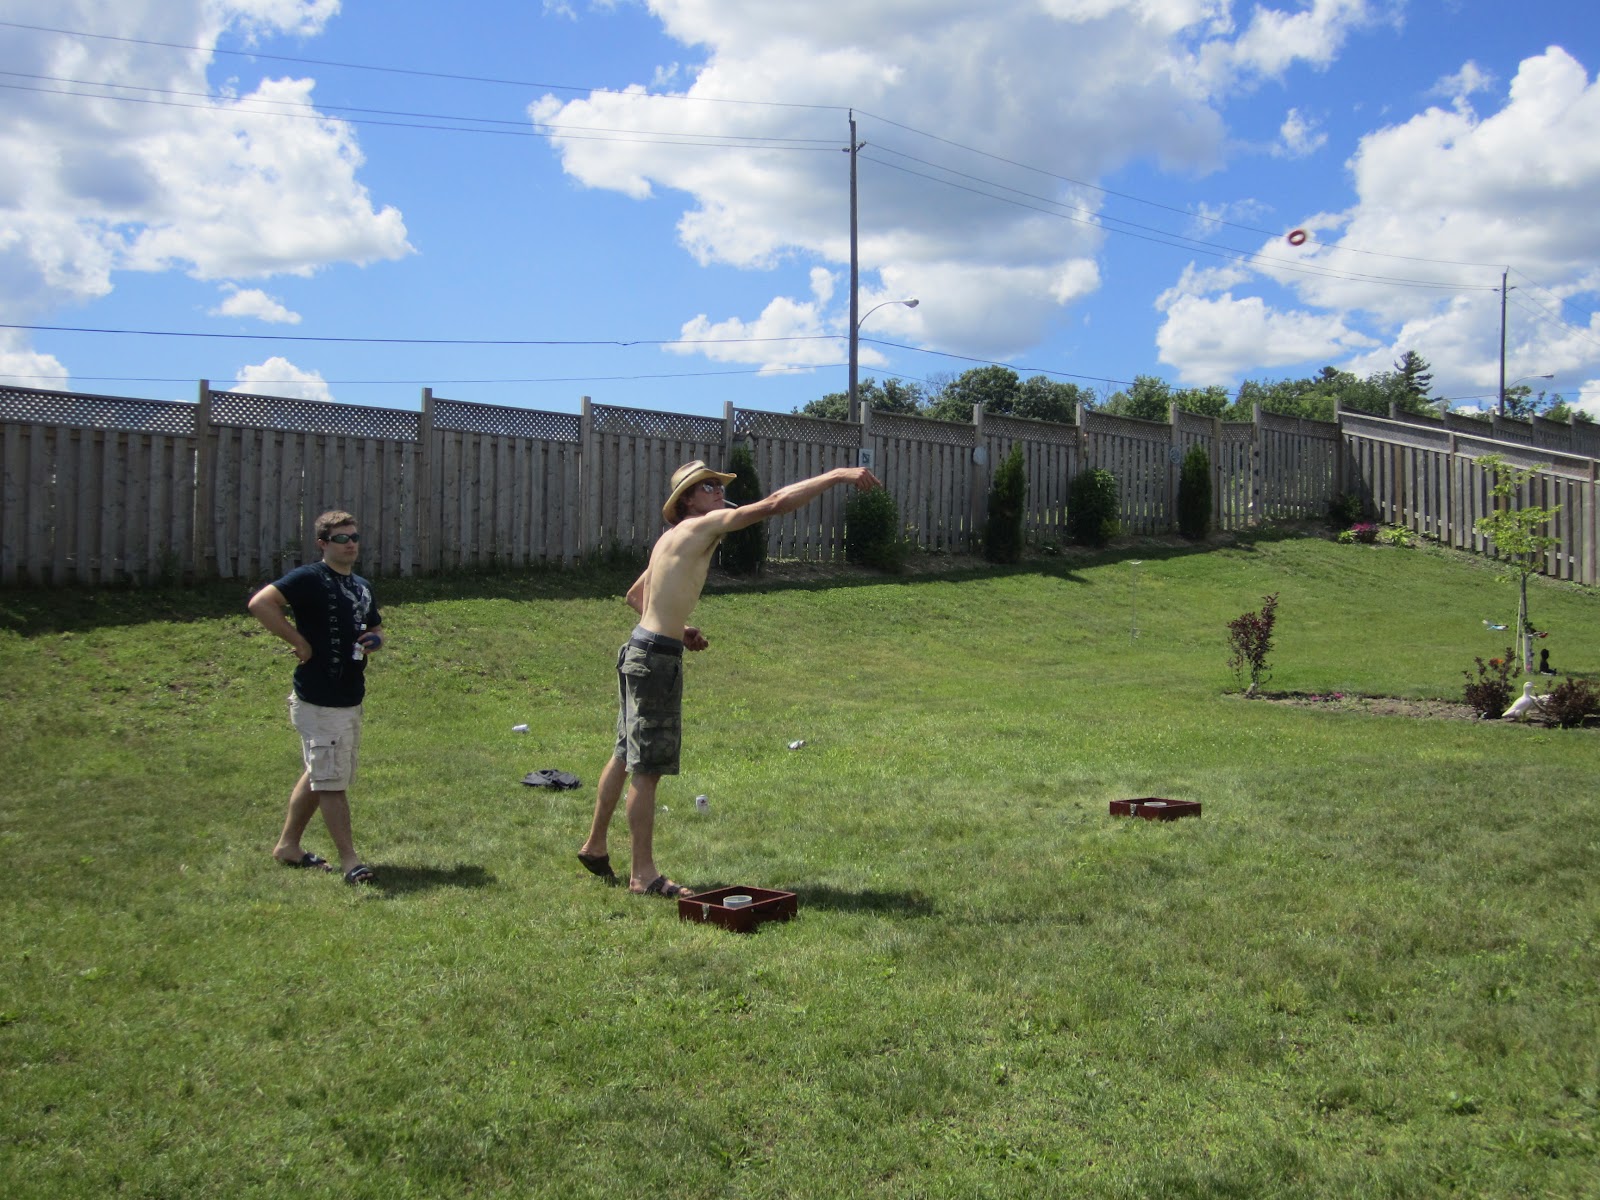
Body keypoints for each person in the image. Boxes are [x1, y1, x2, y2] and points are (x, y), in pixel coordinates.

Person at [578, 459, 883, 897]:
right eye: (707, 488)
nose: (717, 492)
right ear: (687, 500)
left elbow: (635, 596)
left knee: (625, 754)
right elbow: (775, 504)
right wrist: (837, 476)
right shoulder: (704, 526)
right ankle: (642, 875)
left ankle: (595, 846)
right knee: (646, 770)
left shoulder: (670, 538)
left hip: (639, 650)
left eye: (718, 486)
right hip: (655, 660)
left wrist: (678, 628)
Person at [247, 510, 385, 885]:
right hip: (319, 697)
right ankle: (350, 862)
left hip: (349, 695)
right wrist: (298, 641)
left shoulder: (360, 585)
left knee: (320, 772)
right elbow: (261, 603)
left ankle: (287, 846)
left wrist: (375, 639)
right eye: (341, 538)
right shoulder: (310, 578)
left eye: (354, 536)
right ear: (324, 544)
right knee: (332, 781)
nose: (351, 543)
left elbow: (374, 626)